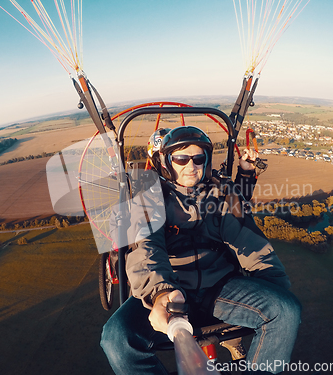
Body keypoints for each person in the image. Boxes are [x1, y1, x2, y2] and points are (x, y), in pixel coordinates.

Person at [101, 126, 301, 374]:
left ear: (206, 162)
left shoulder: (222, 194)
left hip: (218, 286)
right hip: (169, 290)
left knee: (286, 311)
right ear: (166, 162)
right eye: (181, 158)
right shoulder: (148, 198)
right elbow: (147, 247)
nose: (191, 165)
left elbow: (248, 239)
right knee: (116, 339)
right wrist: (160, 292)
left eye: (198, 158)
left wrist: (273, 284)